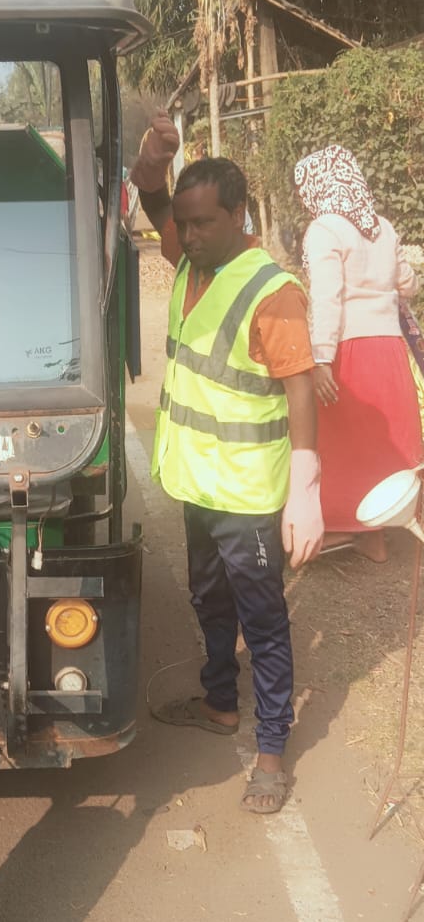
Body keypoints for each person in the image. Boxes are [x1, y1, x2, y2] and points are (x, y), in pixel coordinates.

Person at [131, 118, 324, 815]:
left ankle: (271, 751)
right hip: (197, 484)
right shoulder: (191, 261)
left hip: (246, 493)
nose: (188, 235)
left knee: (262, 619)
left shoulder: (271, 291)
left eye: (204, 222)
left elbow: (301, 387)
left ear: (239, 214)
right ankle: (219, 701)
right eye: (184, 224)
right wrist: (152, 162)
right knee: (208, 598)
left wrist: (305, 486)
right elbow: (152, 198)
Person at [293, 145, 421, 561]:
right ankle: (377, 533)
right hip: (389, 350)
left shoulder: (324, 230)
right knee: (382, 443)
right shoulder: (383, 227)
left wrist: (321, 359)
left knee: (340, 442)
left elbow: (327, 298)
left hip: (348, 350)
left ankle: (339, 527)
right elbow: (408, 283)